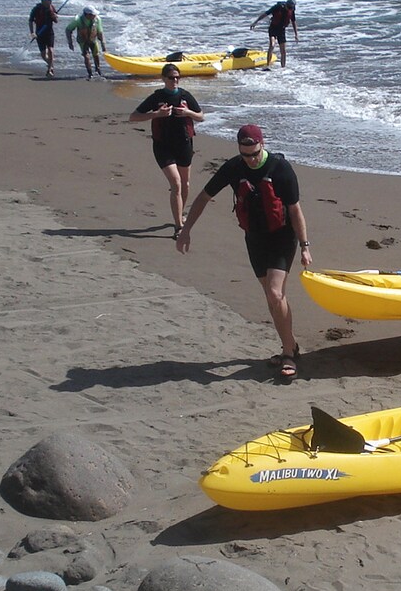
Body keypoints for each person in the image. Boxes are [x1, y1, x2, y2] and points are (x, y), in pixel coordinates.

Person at [176, 124, 313, 378]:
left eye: (254, 154)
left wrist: (305, 246)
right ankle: (291, 345)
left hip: (282, 236)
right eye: (245, 154)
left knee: (275, 292)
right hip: (255, 238)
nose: (250, 160)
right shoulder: (234, 167)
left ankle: (288, 354)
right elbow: (204, 197)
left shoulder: (281, 169)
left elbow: (295, 210)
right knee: (271, 297)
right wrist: (186, 229)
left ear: (262, 145)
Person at [129, 63, 204, 231]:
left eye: (177, 77)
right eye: (171, 78)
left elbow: (201, 116)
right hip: (163, 146)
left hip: (184, 144)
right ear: (163, 79)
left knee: (185, 184)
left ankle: (179, 214)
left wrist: (188, 113)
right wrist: (157, 114)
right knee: (176, 183)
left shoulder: (185, 96)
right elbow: (133, 117)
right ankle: (178, 226)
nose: (175, 81)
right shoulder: (157, 97)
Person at [249, 0, 298, 68]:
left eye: (291, 8)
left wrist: (296, 34)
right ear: (286, 5)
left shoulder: (291, 10)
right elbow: (265, 14)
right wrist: (255, 22)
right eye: (289, 7)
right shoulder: (278, 7)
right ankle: (268, 65)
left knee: (283, 51)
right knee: (272, 45)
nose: (289, 9)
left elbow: (293, 22)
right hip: (273, 28)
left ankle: (283, 68)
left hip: (282, 30)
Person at [66, 6, 106, 79]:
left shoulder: (97, 19)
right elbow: (68, 30)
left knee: (96, 54)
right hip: (83, 41)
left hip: (93, 39)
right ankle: (90, 73)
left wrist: (103, 44)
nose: (94, 16)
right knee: (86, 56)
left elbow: (100, 32)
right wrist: (70, 42)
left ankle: (98, 70)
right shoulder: (77, 20)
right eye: (93, 15)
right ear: (87, 15)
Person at [28, 0, 60, 78]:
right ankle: (50, 65)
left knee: (50, 50)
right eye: (49, 0)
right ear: (44, 1)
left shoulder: (52, 8)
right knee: (43, 54)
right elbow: (30, 21)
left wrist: (54, 16)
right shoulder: (36, 9)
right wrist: (32, 33)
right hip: (39, 33)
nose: (51, 2)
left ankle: (49, 70)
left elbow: (56, 21)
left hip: (49, 32)